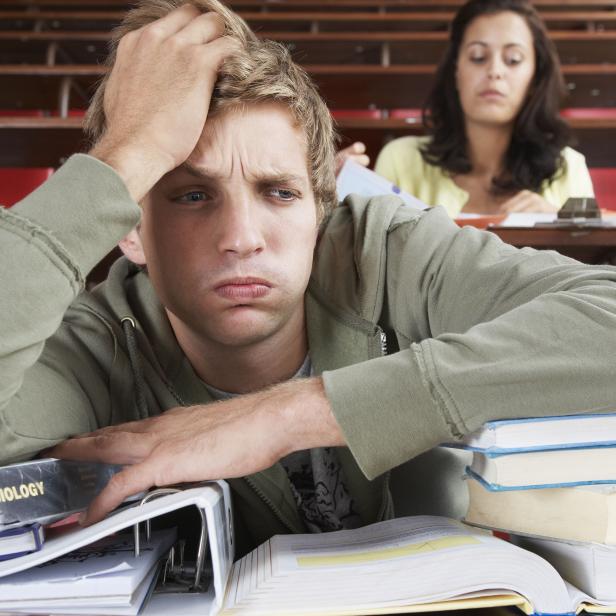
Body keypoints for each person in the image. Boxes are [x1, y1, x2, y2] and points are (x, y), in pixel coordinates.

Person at [1, 0, 616, 559]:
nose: (242, 236)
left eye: (278, 192)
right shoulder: (96, 342)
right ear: (130, 230)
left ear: (321, 214)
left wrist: (290, 415)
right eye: (191, 195)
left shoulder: (380, 249)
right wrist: (126, 154)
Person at [364, 0, 594, 217]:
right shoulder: (400, 160)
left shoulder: (568, 167)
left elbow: (594, 256)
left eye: (513, 59)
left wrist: (556, 227)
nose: (495, 71)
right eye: (478, 57)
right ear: (456, 71)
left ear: (535, 78)